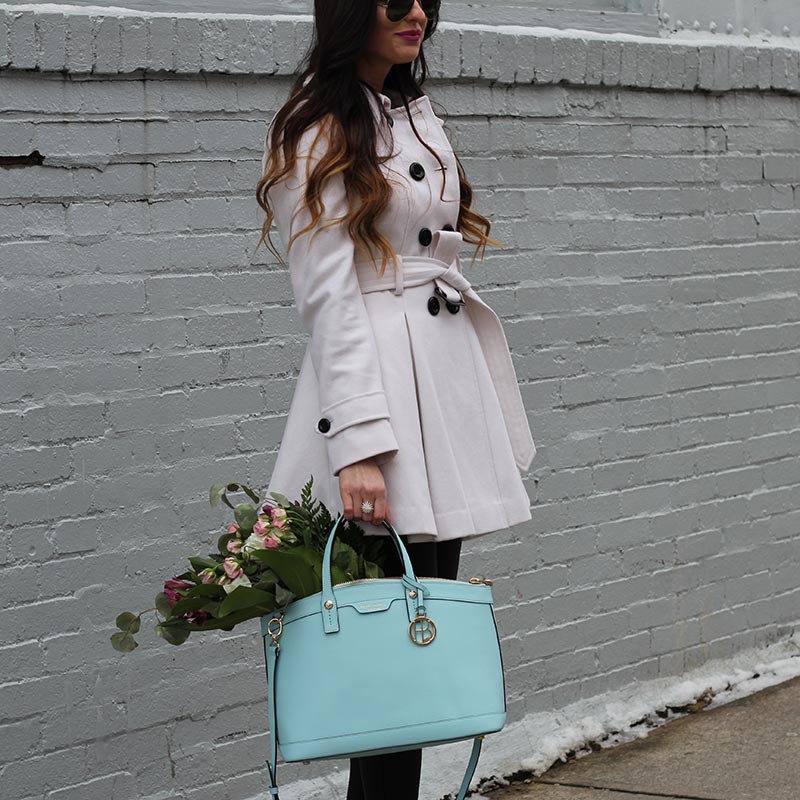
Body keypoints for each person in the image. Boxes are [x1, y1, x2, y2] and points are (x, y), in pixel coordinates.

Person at [256, 1, 536, 797]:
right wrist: (360, 446)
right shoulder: (319, 123)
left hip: (437, 392)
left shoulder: (410, 107)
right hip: (381, 404)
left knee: (418, 655)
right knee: (386, 672)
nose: (413, 11)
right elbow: (329, 300)